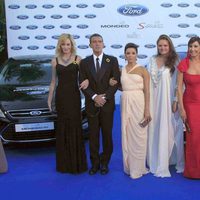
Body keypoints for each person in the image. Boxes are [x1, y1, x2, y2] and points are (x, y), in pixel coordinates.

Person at [79, 33, 120, 175]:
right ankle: (95, 163)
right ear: (90, 45)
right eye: (94, 42)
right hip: (92, 105)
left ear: (103, 44)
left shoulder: (112, 60)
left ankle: (104, 163)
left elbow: (115, 83)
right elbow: (83, 83)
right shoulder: (84, 63)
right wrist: (95, 97)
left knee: (107, 135)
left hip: (107, 105)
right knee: (93, 136)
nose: (97, 44)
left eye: (99, 41)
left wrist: (105, 97)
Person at [48, 33, 88, 174]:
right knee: (63, 128)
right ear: (60, 45)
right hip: (61, 98)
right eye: (63, 44)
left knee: (75, 126)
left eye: (68, 44)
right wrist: (49, 99)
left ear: (72, 45)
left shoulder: (78, 60)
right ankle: (64, 164)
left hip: (74, 97)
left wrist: (87, 81)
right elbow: (53, 82)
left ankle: (77, 164)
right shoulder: (55, 61)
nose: (66, 47)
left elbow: (84, 77)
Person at [147, 34, 184, 177]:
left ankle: (168, 159)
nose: (162, 48)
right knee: (155, 127)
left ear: (170, 46)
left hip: (168, 101)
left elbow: (179, 84)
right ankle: (156, 158)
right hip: (153, 100)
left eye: (165, 45)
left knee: (169, 128)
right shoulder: (151, 59)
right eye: (160, 45)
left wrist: (176, 100)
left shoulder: (175, 60)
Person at [116, 43, 151, 179]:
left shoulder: (143, 70)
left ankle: (139, 167)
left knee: (140, 134)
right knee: (127, 134)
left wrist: (147, 110)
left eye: (133, 53)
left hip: (139, 103)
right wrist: (115, 84)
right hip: (126, 102)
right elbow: (123, 87)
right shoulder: (121, 70)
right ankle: (130, 166)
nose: (130, 55)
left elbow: (147, 91)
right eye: (128, 53)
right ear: (124, 55)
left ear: (136, 54)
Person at [177, 36, 200, 179]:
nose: (193, 49)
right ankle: (193, 171)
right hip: (190, 105)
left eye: (196, 46)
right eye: (191, 46)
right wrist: (182, 108)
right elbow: (179, 88)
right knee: (194, 137)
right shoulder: (183, 64)